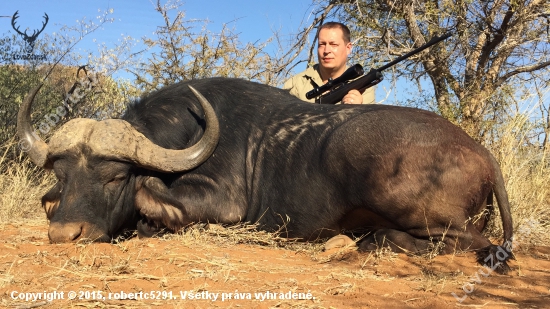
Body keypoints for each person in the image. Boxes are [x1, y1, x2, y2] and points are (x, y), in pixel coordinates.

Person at [283, 22, 375, 105]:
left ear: (348, 48)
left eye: (333, 44)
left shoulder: (363, 87)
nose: (326, 51)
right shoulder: (295, 84)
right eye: (322, 44)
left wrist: (356, 111)